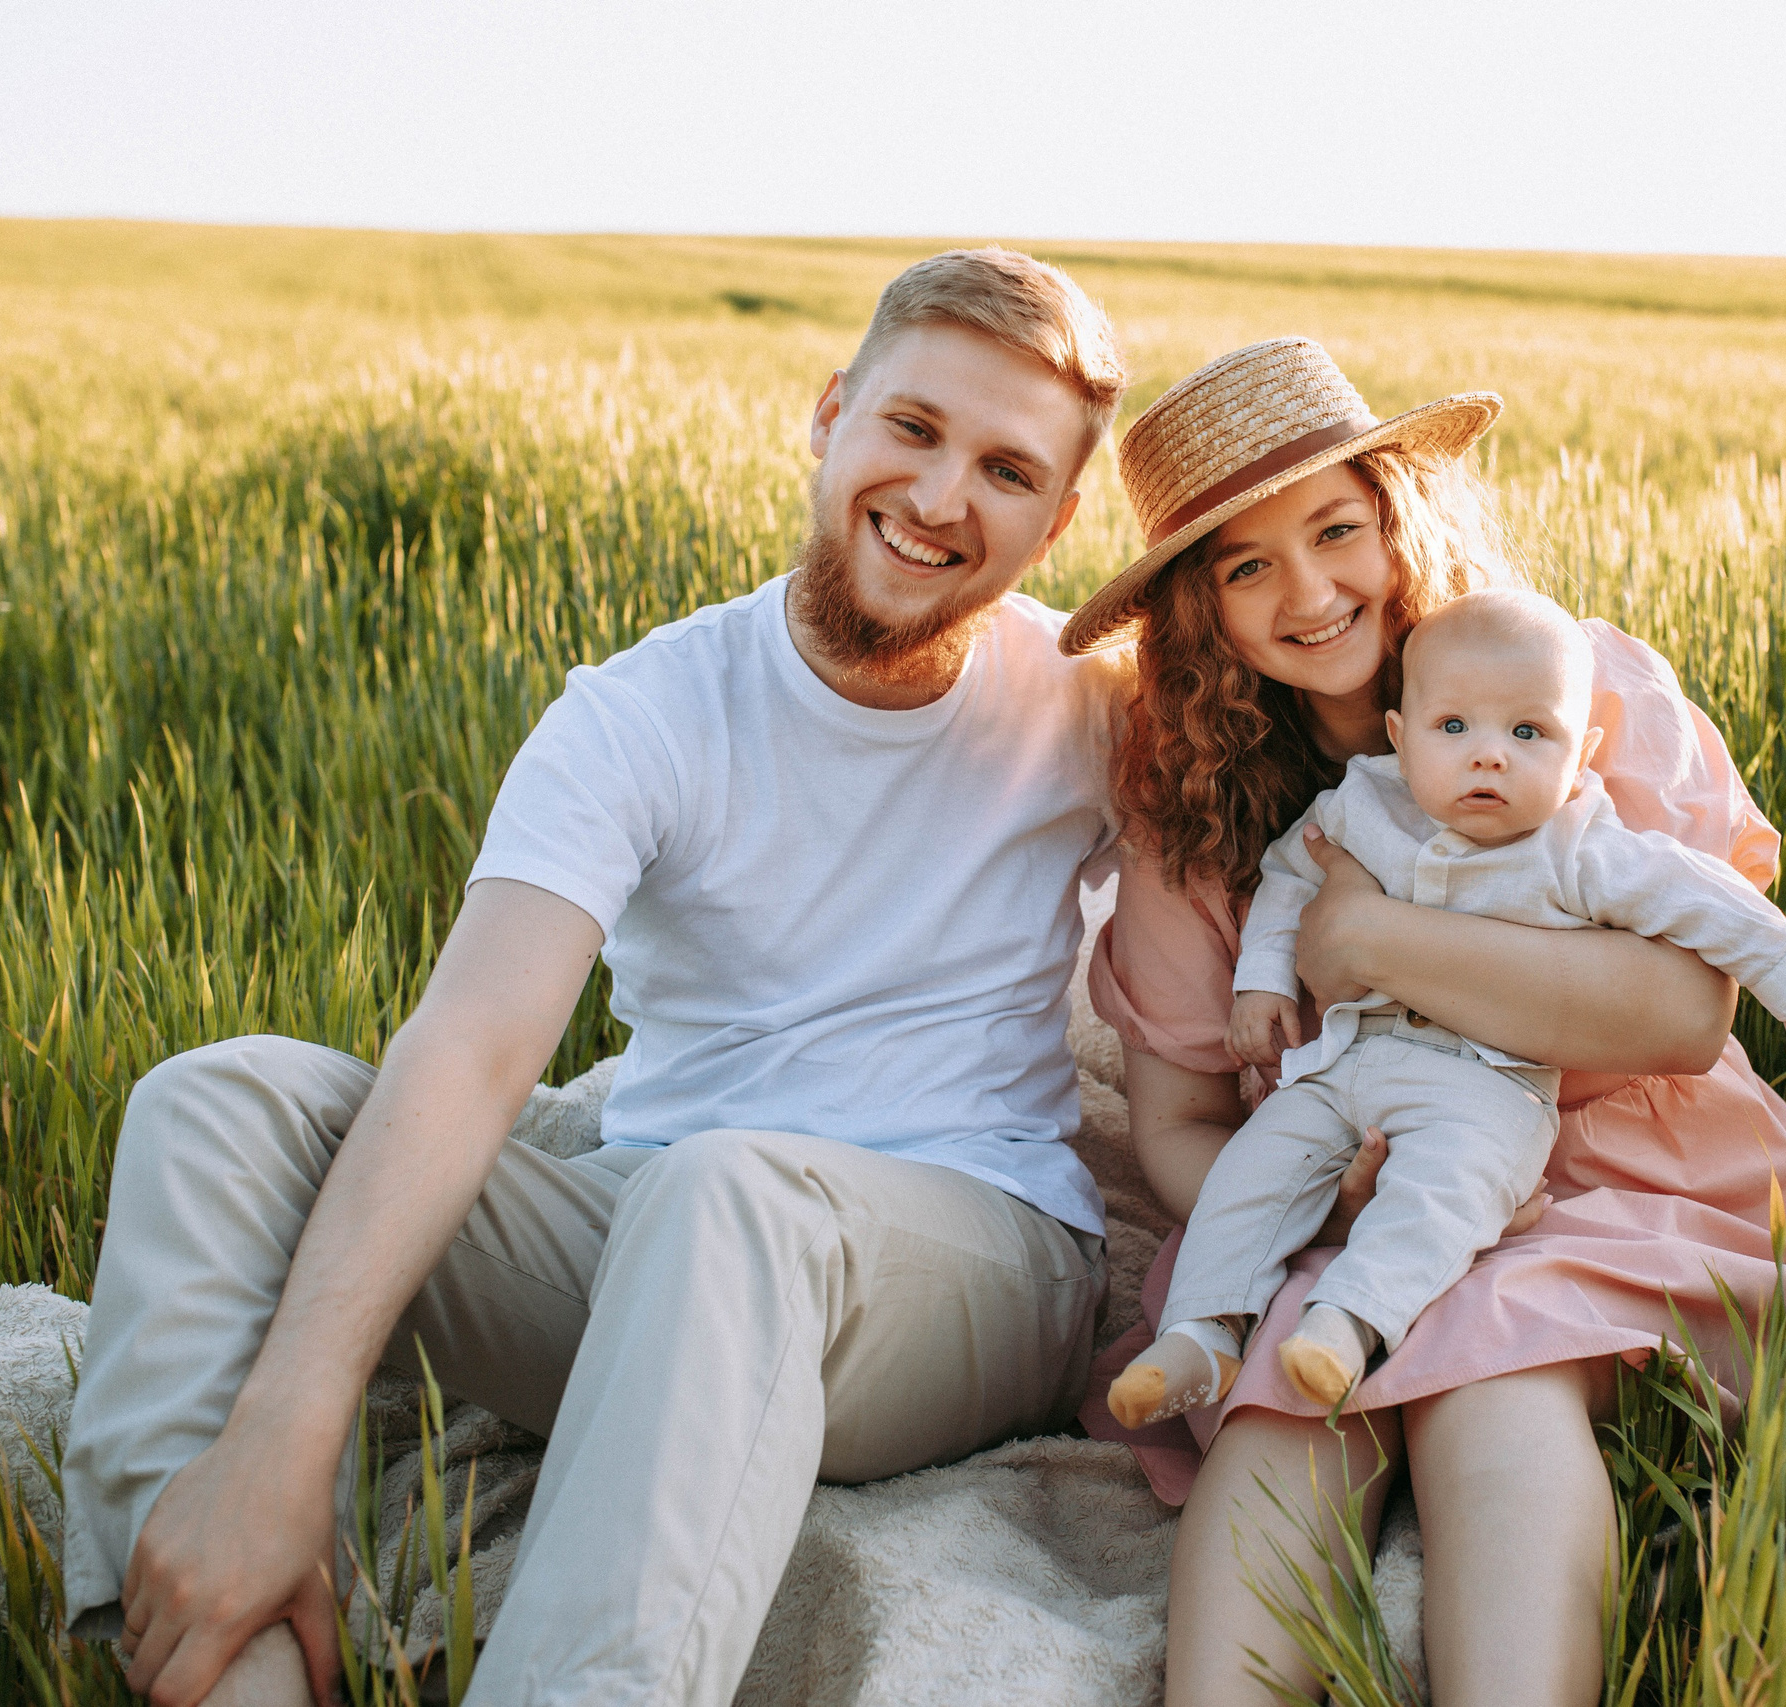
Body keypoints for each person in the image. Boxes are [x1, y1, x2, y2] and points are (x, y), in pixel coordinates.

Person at [62, 248, 1130, 1707]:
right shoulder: (643, 712)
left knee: (732, 1191)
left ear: (1058, 519)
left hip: (971, 1269)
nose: (943, 497)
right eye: (914, 427)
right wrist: (288, 1428)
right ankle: (226, 1659)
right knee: (215, 1103)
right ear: (831, 414)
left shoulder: (1092, 703)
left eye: (1007, 471)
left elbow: (1362, 773)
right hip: (660, 1252)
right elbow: (475, 1048)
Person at [1063, 338, 1786, 1707]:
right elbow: (1179, 1119)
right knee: (1285, 1404)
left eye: (1337, 529)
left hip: (1625, 1175)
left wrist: (1369, 941)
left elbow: (1682, 1014)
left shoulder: (1563, 688)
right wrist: (1321, 1202)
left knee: (1496, 1362)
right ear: (1201, 608)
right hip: (1355, 1181)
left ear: (1398, 517)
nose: (1310, 590)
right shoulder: (1190, 803)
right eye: (1248, 565)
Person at [1107, 587, 1786, 1429]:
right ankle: (1204, 1328)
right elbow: (1291, 878)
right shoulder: (1366, 802)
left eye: (1527, 733)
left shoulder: (1581, 844)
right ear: (1401, 737)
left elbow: (1714, 904)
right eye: (1454, 728)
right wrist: (1261, 981)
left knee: (1445, 1193)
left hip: (1487, 1087)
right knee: (1254, 1169)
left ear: (1580, 753)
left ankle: (1348, 1323)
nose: (1489, 757)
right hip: (1347, 1062)